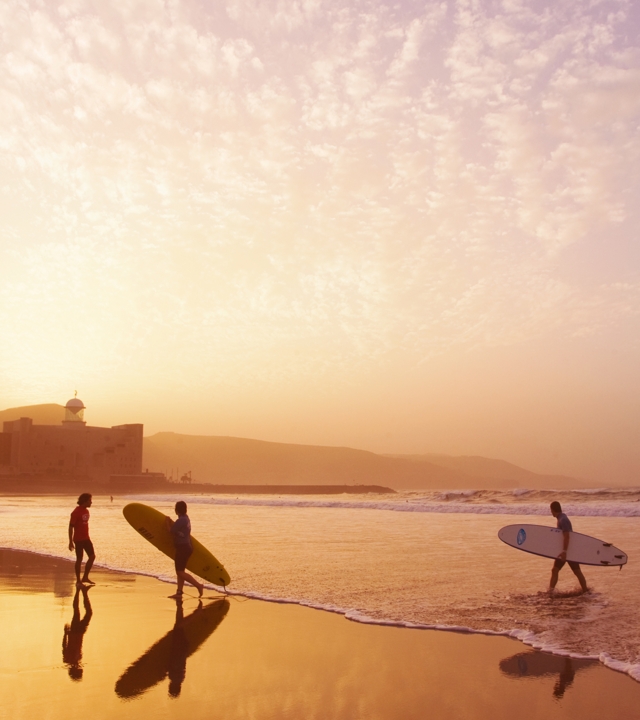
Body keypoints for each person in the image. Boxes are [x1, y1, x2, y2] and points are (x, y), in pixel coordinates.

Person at [165, 501, 203, 598]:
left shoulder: (181, 520)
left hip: (183, 548)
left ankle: (199, 586)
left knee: (180, 572)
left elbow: (171, 531)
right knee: (181, 571)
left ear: (176, 510)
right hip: (186, 547)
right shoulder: (186, 519)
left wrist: (167, 522)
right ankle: (179, 592)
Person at [549, 501, 588, 594]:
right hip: (566, 549)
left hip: (567, 551)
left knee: (576, 572)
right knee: (556, 570)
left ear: (553, 510)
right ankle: (550, 592)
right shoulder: (561, 518)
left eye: (551, 510)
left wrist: (564, 552)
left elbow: (567, 536)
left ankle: (586, 591)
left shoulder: (563, 520)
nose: (551, 512)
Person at [62, 584, 93, 681]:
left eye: (80, 670)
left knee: (77, 611)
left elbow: (64, 646)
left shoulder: (68, 659)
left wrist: (65, 633)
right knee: (89, 613)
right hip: (80, 633)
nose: (81, 668)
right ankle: (84, 592)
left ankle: (78, 591)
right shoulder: (77, 660)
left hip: (74, 632)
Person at [68, 493, 95, 586]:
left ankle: (85, 577)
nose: (91, 502)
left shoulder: (86, 511)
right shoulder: (75, 512)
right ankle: (78, 580)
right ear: (85, 501)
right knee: (79, 559)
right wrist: (70, 541)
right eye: (89, 500)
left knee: (92, 556)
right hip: (78, 539)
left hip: (86, 538)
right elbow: (70, 527)